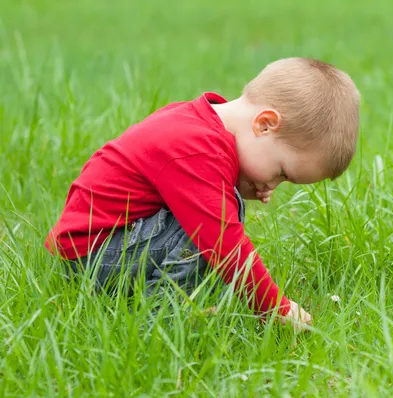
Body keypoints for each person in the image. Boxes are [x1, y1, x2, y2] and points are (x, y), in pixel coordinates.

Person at [45, 57, 360, 330]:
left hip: (105, 244)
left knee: (222, 208)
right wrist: (274, 307)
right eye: (280, 173)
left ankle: (182, 298)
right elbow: (225, 244)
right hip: (94, 256)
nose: (272, 188)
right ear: (264, 125)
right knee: (214, 223)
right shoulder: (197, 149)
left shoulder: (200, 123)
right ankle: (161, 316)